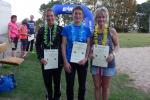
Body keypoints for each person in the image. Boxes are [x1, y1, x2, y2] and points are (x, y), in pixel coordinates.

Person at [61, 6, 91, 100]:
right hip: (69, 61)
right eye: (76, 13)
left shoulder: (87, 29)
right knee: (70, 85)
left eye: (79, 13)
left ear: (82, 16)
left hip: (82, 61)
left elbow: (89, 46)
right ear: (72, 15)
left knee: (82, 86)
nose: (77, 15)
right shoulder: (66, 28)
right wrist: (65, 62)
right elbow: (63, 45)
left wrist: (86, 59)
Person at [90, 6, 119, 100]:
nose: (101, 19)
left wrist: (112, 54)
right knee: (97, 87)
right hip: (95, 63)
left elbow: (117, 46)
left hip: (109, 63)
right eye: (99, 17)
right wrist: (90, 53)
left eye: (103, 17)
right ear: (96, 18)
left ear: (106, 18)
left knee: (105, 88)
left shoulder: (112, 31)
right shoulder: (92, 32)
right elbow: (90, 47)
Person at [35, 9, 63, 100]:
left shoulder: (60, 29)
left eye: (51, 15)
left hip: (57, 62)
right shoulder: (42, 30)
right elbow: (37, 44)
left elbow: (64, 45)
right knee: (47, 82)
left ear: (54, 17)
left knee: (57, 81)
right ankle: (49, 97)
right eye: (48, 16)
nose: (50, 17)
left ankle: (57, 97)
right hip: (45, 61)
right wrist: (40, 57)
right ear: (45, 17)